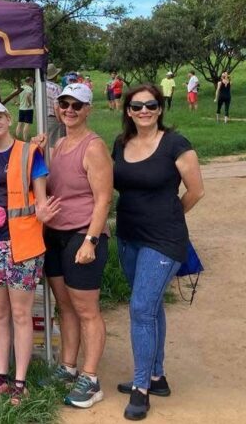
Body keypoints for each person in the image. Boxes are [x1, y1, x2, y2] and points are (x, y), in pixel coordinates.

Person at [112, 85, 204, 421]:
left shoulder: (175, 145)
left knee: (139, 308)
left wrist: (170, 216)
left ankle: (140, 388)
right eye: (137, 106)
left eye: (151, 105)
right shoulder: (121, 144)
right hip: (129, 236)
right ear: (128, 111)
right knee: (150, 307)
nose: (144, 111)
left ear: (160, 108)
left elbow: (196, 191)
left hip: (164, 240)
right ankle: (157, 375)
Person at [0, 101, 58, 406]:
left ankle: (20, 382)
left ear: (9, 119)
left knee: (21, 314)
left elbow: (41, 197)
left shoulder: (28, 152)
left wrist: (44, 212)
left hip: (22, 244)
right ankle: (1, 376)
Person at [41, 84, 113, 409]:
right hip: (54, 235)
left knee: (86, 310)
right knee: (65, 306)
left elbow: (103, 200)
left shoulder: (93, 147)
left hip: (81, 236)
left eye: (76, 105)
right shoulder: (58, 145)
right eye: (64, 104)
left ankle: (91, 377)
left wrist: (91, 240)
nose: (69, 109)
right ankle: (68, 367)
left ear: (88, 109)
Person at [45, 63, 65, 147]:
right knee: (57, 144)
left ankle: (47, 159)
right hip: (54, 118)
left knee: (47, 143)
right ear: (55, 76)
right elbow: (57, 107)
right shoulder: (56, 88)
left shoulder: (40, 86)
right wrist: (61, 120)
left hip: (44, 118)